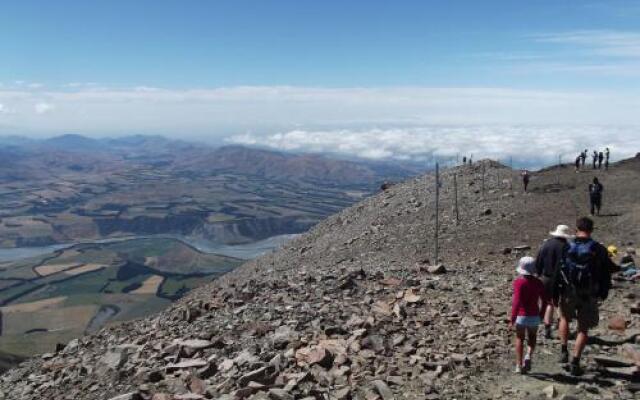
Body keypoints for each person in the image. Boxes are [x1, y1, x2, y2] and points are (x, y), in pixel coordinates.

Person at [556, 217, 613, 376]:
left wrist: (557, 290)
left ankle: (563, 350)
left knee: (564, 319)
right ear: (592, 230)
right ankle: (575, 361)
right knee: (583, 328)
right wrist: (603, 291)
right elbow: (606, 271)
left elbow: (560, 269)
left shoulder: (567, 246)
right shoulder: (598, 249)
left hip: (568, 290)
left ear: (576, 229)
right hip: (589, 293)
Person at [535, 225, 573, 339]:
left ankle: (547, 329)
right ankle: (562, 330)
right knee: (560, 304)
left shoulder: (546, 244)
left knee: (548, 303)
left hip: (545, 278)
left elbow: (539, 261)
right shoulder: (566, 246)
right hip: (561, 279)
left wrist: (539, 273)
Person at [510, 256, 546, 374]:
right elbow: (544, 300)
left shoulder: (519, 282)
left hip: (521, 315)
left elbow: (516, 302)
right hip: (534, 315)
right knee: (532, 336)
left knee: (520, 338)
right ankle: (528, 355)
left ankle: (519, 364)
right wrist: (542, 313)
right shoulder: (538, 282)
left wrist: (513, 318)